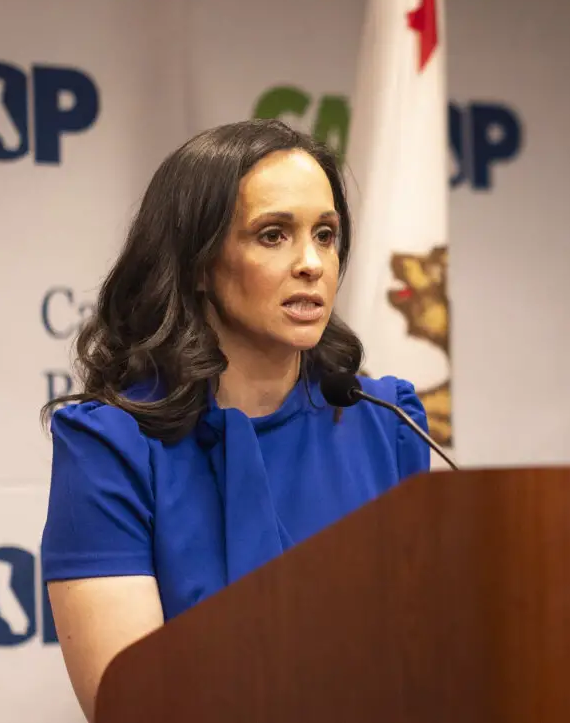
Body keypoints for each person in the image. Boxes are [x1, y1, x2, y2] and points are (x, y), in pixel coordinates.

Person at [38, 118, 432, 722]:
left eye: (325, 235)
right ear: (197, 263)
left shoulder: (386, 422)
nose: (312, 264)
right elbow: (134, 706)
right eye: (273, 235)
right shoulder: (111, 446)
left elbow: (431, 652)